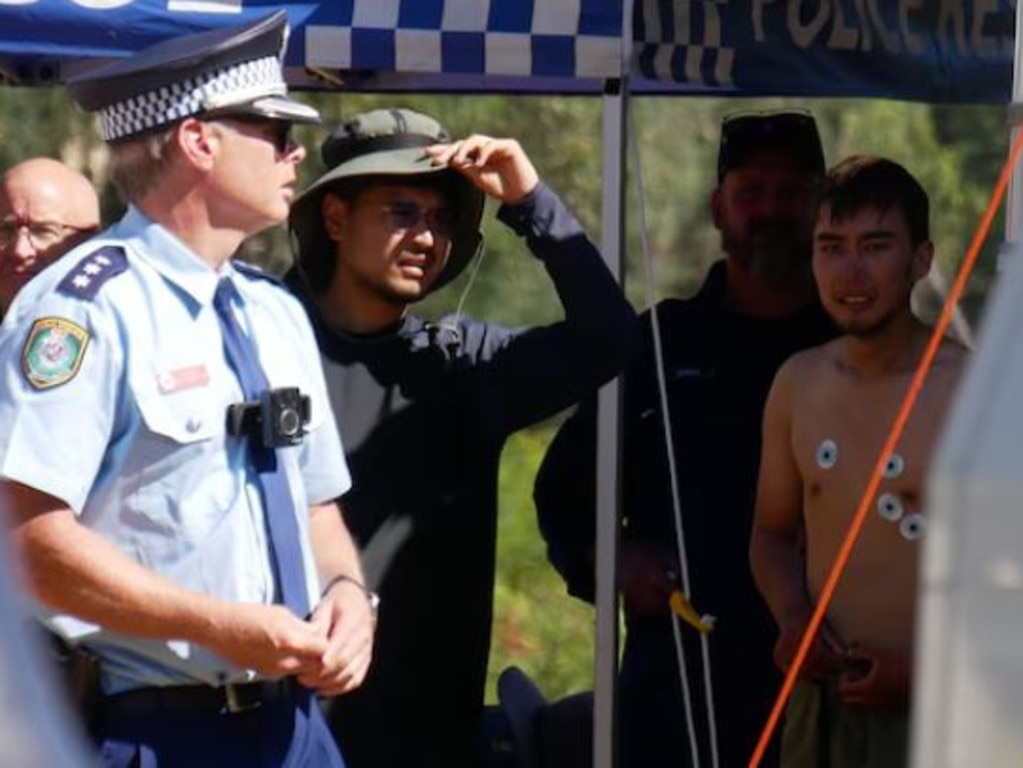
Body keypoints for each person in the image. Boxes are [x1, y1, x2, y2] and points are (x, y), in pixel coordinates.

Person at [0, 11, 376, 768]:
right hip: (160, 730)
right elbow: (25, 539)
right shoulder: (83, 307)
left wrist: (348, 598)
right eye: (272, 132)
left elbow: (316, 505)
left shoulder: (272, 310)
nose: (295, 153)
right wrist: (219, 627)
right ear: (199, 141)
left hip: (296, 727)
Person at [286, 108, 639, 767]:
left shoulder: (461, 364)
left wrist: (532, 202)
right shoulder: (261, 346)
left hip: (429, 739)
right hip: (281, 731)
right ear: (334, 219)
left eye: (441, 218)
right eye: (400, 211)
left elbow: (609, 338)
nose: (426, 236)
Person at [534, 110, 838, 766]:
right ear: (717, 207)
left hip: (832, 681)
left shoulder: (858, 347)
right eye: (750, 192)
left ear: (821, 208)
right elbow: (562, 493)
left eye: (790, 193)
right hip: (677, 683)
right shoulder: (653, 343)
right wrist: (612, 559)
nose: (769, 211)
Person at [750, 155, 966, 768]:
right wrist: (793, 618)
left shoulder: (977, 390)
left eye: (875, 246)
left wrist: (927, 669)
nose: (851, 270)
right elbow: (770, 536)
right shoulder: (798, 382)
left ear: (920, 260)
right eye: (831, 246)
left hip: (943, 711)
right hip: (825, 710)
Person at [0, 157, 100, 314]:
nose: (19, 251)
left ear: (88, 241)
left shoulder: (108, 329)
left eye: (43, 231)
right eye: (5, 230)